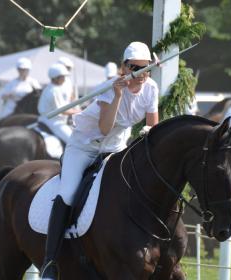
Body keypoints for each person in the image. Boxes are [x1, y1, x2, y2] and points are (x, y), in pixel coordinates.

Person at [40, 41, 160, 279]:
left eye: (146, 68)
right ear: (124, 68)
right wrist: (117, 94)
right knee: (69, 192)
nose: (141, 74)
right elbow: (105, 128)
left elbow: (152, 125)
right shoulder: (109, 87)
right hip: (84, 147)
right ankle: (49, 262)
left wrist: (146, 134)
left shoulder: (151, 87)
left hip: (115, 148)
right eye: (135, 67)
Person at [38, 63, 79, 144]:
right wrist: (79, 112)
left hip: (50, 119)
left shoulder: (52, 87)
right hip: (54, 122)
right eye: (62, 77)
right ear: (56, 78)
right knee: (74, 142)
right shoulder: (54, 90)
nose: (64, 79)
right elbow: (62, 110)